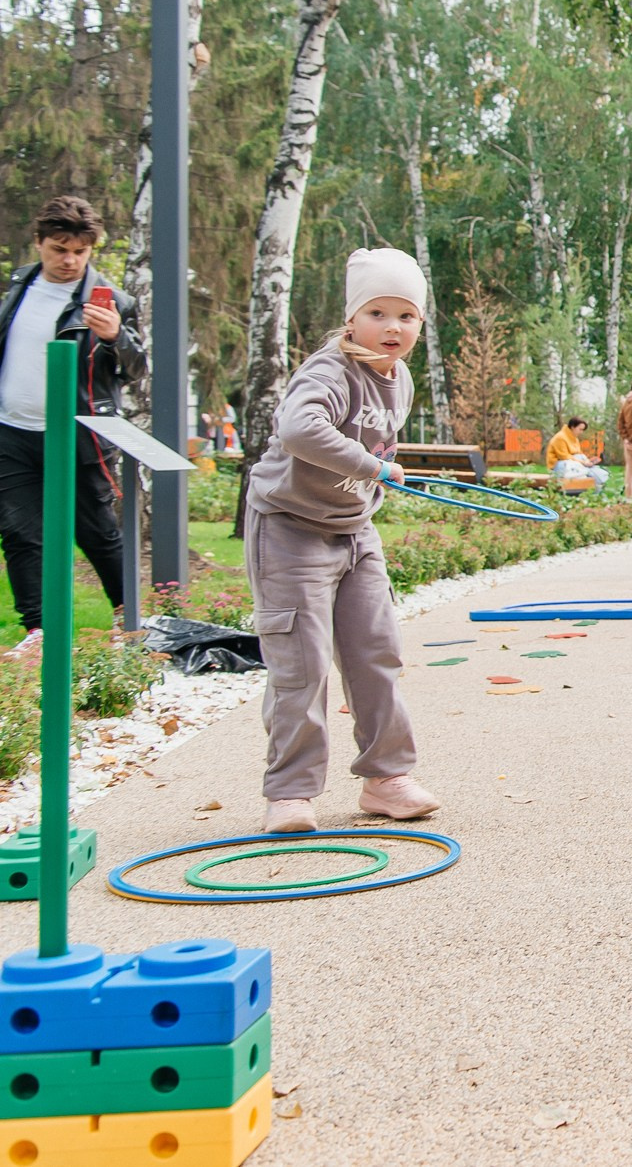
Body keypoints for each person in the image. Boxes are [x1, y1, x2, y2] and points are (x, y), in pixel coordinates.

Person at [242, 247, 440, 833]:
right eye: (377, 313)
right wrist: (374, 468)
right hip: (290, 528)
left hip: (355, 531)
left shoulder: (398, 376)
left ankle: (386, 778)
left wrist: (371, 478)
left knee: (376, 653)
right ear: (353, 318)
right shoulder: (329, 370)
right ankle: (291, 792)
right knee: (301, 665)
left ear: (419, 326)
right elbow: (299, 429)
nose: (392, 327)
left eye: (406, 316)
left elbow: (373, 450)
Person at [0, 195, 145, 656]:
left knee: (98, 532)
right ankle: (37, 632)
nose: (69, 260)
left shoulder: (113, 300)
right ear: (39, 242)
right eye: (59, 248)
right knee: (20, 532)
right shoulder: (18, 284)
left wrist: (113, 336)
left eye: (80, 251)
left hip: (78, 436)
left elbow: (137, 368)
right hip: (12, 432)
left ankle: (132, 623)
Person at [545, 417, 606, 487]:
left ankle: (595, 478)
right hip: (559, 466)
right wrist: (583, 462)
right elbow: (564, 456)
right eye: (580, 429)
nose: (581, 432)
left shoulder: (574, 438)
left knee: (591, 469)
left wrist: (587, 461)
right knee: (590, 472)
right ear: (573, 427)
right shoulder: (560, 438)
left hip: (572, 464)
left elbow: (579, 453)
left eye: (583, 430)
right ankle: (592, 475)